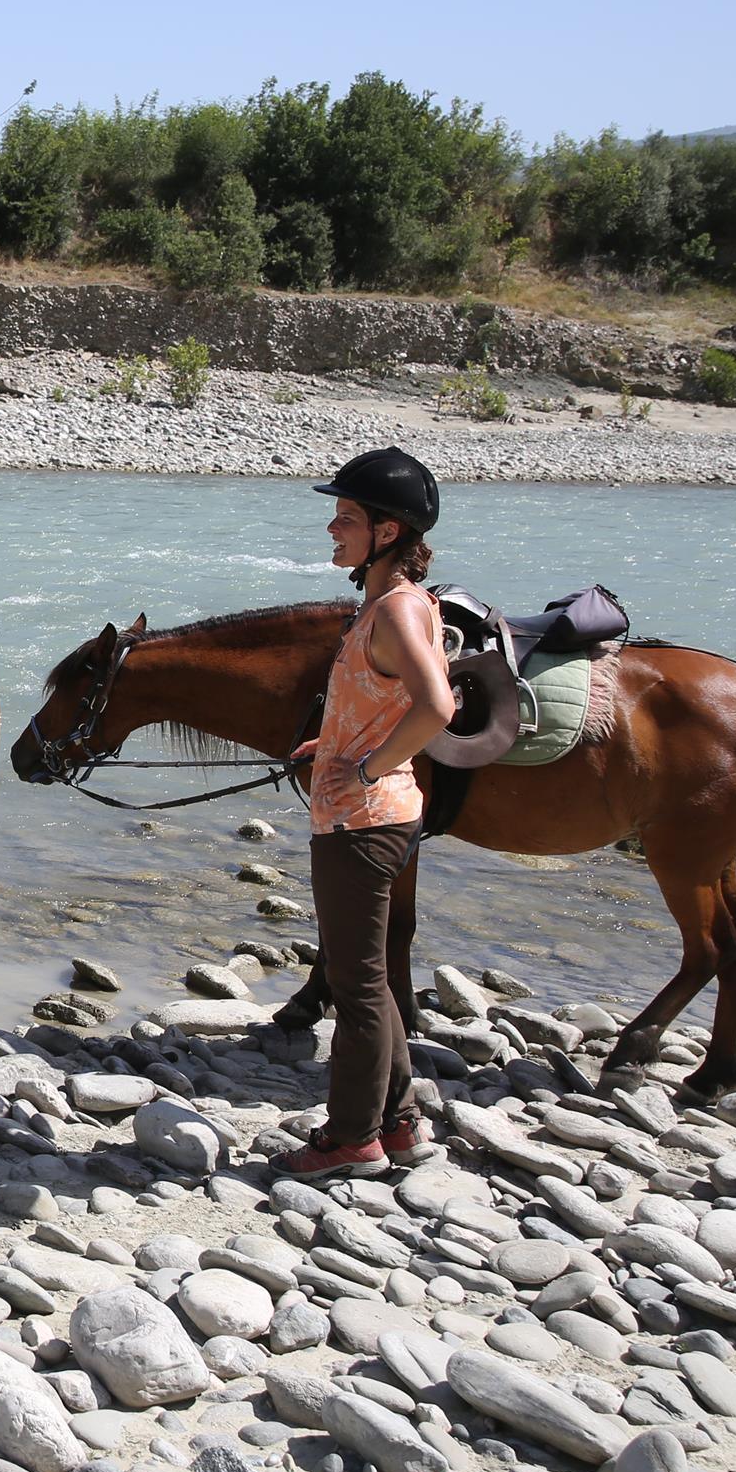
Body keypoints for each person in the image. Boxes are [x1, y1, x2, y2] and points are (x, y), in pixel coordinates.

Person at [274, 447, 459, 1181]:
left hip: (364, 822)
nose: (332, 527)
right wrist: (340, 739)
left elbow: (438, 706)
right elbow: (386, 695)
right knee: (371, 976)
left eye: (347, 517)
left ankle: (352, 1138)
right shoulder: (389, 604)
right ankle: (401, 1121)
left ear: (388, 533)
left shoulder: (396, 607)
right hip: (366, 815)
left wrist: (373, 764)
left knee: (353, 987)